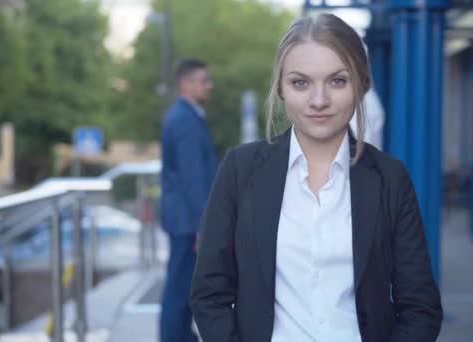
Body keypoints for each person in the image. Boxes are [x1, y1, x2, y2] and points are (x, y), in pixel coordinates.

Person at [191, 14, 442, 342]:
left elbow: (420, 307)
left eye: (337, 81)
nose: (319, 100)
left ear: (360, 84)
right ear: (281, 87)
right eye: (300, 82)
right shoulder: (240, 170)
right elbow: (209, 296)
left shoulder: (390, 179)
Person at [160, 58, 218, 342]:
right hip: (187, 220)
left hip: (184, 218)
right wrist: (202, 224)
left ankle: (179, 336)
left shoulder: (185, 116)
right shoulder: (185, 120)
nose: (210, 86)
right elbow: (192, 177)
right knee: (179, 290)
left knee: (181, 287)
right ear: (186, 84)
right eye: (204, 81)